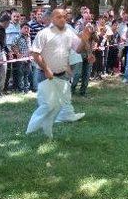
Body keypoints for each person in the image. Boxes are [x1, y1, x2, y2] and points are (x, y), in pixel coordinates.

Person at [27, 8, 90, 137]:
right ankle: (31, 129)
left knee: (57, 105)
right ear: (52, 19)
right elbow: (35, 53)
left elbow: (78, 50)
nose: (62, 19)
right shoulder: (44, 33)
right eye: (59, 17)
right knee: (48, 105)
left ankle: (48, 130)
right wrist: (46, 69)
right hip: (45, 75)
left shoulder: (69, 33)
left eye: (64, 17)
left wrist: (84, 39)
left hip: (62, 75)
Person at [12, 23, 33, 93]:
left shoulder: (29, 37)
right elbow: (13, 45)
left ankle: (26, 89)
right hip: (21, 59)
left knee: (27, 74)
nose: (27, 29)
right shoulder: (17, 37)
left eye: (28, 28)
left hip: (28, 58)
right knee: (21, 74)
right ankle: (21, 89)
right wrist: (18, 54)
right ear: (21, 29)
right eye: (25, 28)